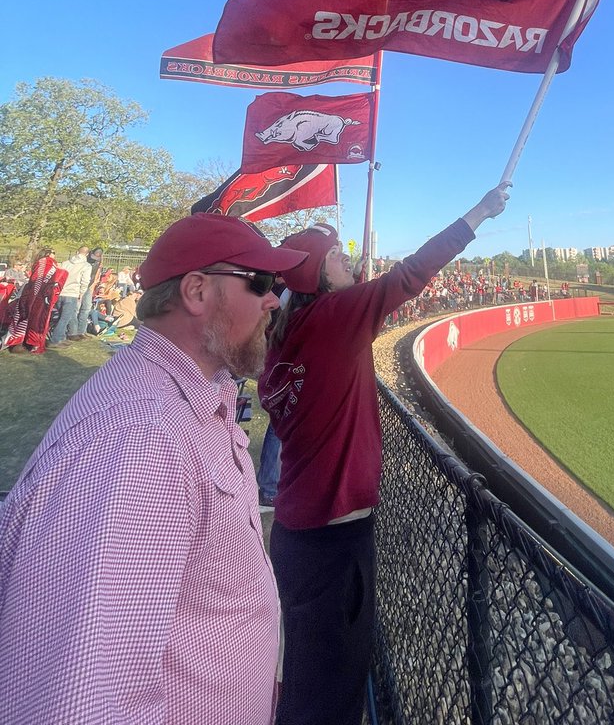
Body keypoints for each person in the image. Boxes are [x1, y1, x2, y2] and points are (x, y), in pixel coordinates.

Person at [0, 213, 309, 724]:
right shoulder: (142, 439)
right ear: (196, 291)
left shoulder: (197, 392)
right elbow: (77, 699)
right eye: (260, 282)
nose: (274, 300)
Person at [259, 182, 510, 725]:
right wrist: (478, 214)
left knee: (307, 672)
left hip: (298, 533)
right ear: (319, 278)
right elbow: (410, 274)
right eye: (339, 259)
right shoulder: (333, 322)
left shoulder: (285, 337)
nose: (351, 264)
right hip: (335, 538)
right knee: (334, 690)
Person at [2, 249, 64, 353]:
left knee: (27, 321)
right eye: (53, 252)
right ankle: (19, 344)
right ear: (48, 254)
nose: (54, 255)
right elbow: (38, 282)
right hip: (33, 297)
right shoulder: (45, 262)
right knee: (25, 320)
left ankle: (24, 343)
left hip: (33, 296)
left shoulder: (43, 263)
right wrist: (34, 298)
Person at [48, 246, 93, 346]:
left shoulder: (65, 263)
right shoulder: (86, 266)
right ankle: (55, 340)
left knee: (60, 316)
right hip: (72, 293)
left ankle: (62, 337)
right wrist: (81, 293)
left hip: (61, 292)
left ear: (77, 252)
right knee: (65, 318)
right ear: (87, 254)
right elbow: (85, 281)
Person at [75, 245, 104, 337]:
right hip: (79, 285)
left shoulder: (98, 261)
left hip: (88, 286)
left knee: (87, 308)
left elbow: (95, 275)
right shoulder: (84, 261)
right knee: (76, 308)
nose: (94, 260)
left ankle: (81, 331)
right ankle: (72, 331)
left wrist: (93, 284)